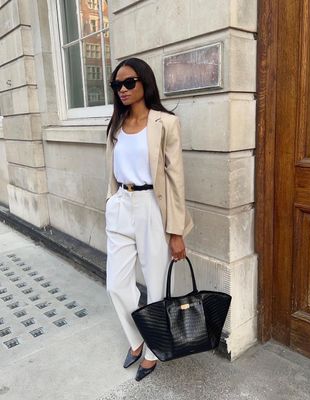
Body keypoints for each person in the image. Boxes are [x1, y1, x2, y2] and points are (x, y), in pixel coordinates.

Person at [105, 58, 193, 382]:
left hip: (151, 207)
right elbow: (111, 169)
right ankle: (137, 338)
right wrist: (111, 200)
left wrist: (176, 231)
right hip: (120, 206)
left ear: (144, 83)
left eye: (129, 83)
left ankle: (153, 351)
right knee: (116, 284)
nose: (123, 89)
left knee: (155, 285)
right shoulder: (115, 122)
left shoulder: (165, 123)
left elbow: (176, 179)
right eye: (117, 85)